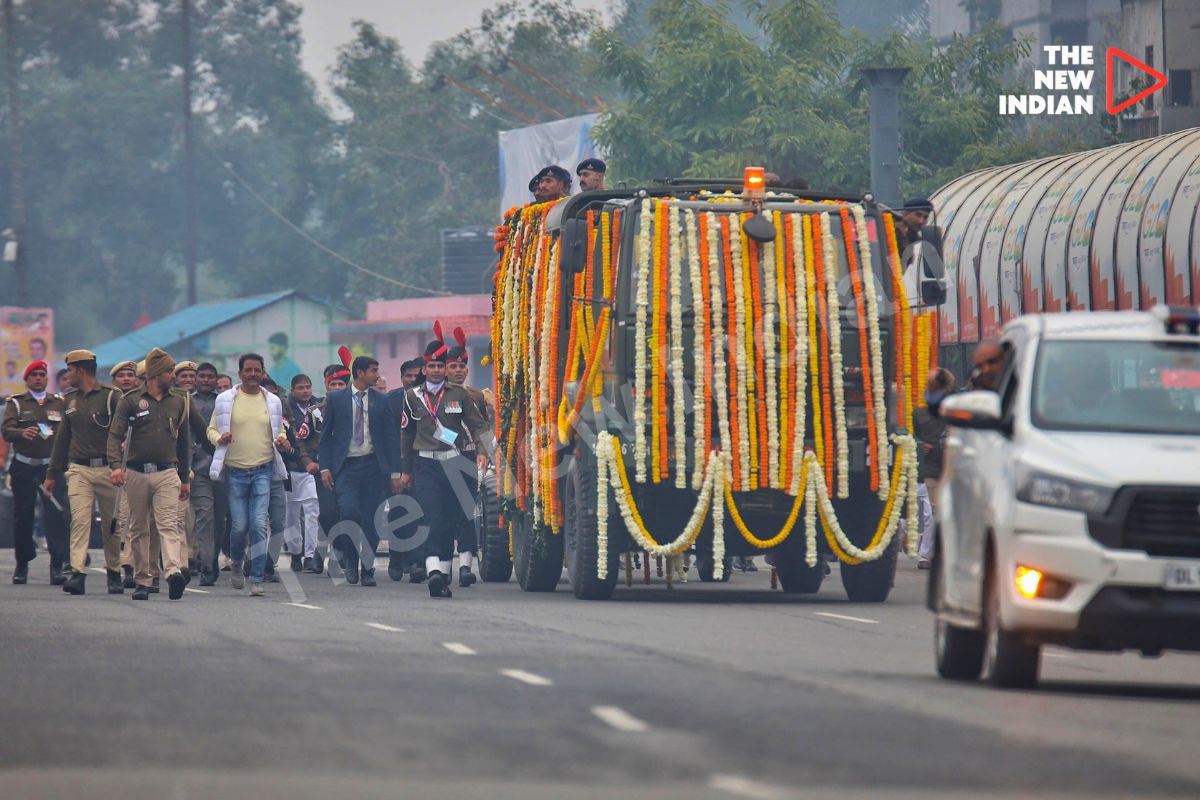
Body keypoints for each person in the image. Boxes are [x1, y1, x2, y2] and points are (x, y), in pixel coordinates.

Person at [398, 328, 491, 598]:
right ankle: (434, 572)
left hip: (454, 463)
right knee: (431, 517)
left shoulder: (459, 396)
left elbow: (478, 425)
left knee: (452, 517)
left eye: (441, 365)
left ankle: (447, 569)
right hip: (425, 464)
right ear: (424, 369)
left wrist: (483, 451)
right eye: (432, 366)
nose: (437, 370)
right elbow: (405, 433)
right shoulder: (412, 397)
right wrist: (405, 470)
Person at [108, 348, 193, 601]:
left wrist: (185, 478)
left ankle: (172, 572)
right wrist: (115, 466)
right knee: (138, 527)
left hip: (168, 472)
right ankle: (143, 580)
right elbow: (115, 436)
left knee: (168, 525)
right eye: (169, 371)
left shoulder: (179, 400)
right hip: (135, 472)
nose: (173, 375)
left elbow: (184, 442)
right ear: (156, 373)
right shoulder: (131, 400)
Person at [207, 353, 288, 597]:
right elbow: (210, 429)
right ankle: (237, 563)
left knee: (259, 524)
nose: (253, 374)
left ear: (263, 372)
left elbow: (279, 427)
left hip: (263, 469)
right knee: (239, 525)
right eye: (248, 370)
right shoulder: (225, 400)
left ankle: (256, 577)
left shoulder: (272, 401)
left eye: (257, 370)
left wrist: (282, 439)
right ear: (240, 373)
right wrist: (220, 438)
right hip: (235, 472)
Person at [318, 354, 403, 587]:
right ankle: (350, 561)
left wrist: (395, 473)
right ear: (360, 373)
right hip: (346, 468)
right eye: (373, 370)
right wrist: (325, 467)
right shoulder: (336, 399)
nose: (377, 374)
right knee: (349, 513)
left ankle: (367, 568)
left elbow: (391, 438)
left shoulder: (382, 401)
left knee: (372, 519)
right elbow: (326, 438)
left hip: (374, 466)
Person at [45, 351, 125, 593]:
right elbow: (62, 439)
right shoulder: (69, 400)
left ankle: (113, 572)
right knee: (79, 520)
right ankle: (78, 573)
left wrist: (119, 466)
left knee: (112, 525)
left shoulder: (112, 397)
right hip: (78, 468)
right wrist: (51, 473)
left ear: (80, 370)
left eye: (69, 370)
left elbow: (123, 434)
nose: (66, 375)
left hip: (108, 469)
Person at [3, 360, 69, 586]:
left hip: (50, 467)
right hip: (24, 466)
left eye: (42, 374)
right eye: (34, 375)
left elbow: (69, 430)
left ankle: (57, 566)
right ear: (27, 379)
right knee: (23, 517)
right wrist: (22, 432)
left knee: (55, 516)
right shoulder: (17, 403)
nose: (39, 378)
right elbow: (6, 431)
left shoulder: (58, 402)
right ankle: (22, 565)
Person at [444, 329, 495, 588]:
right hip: (439, 458)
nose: (460, 370)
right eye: (453, 366)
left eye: (463, 365)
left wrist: (482, 453)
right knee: (442, 515)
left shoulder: (476, 396)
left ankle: (465, 566)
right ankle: (439, 566)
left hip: (466, 457)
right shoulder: (435, 396)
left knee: (467, 512)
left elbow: (481, 427)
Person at [189, 362, 227, 585]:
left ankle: (212, 558)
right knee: (204, 515)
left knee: (220, 520)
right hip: (198, 469)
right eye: (201, 376)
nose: (205, 380)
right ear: (195, 379)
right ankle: (205, 565)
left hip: (223, 467)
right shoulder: (187, 403)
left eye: (209, 377)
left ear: (216, 379)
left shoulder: (224, 402)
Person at [914, 368, 953, 570]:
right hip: (931, 469)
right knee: (934, 511)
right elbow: (911, 437)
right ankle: (926, 555)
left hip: (953, 468)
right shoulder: (920, 414)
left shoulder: (953, 410)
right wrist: (920, 445)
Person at [284, 374, 322, 573]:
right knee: (291, 516)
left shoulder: (318, 407)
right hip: (291, 467)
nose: (305, 391)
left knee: (311, 512)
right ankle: (295, 551)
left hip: (311, 467)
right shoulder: (285, 407)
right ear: (293, 390)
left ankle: (310, 555)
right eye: (301, 387)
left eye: (308, 387)